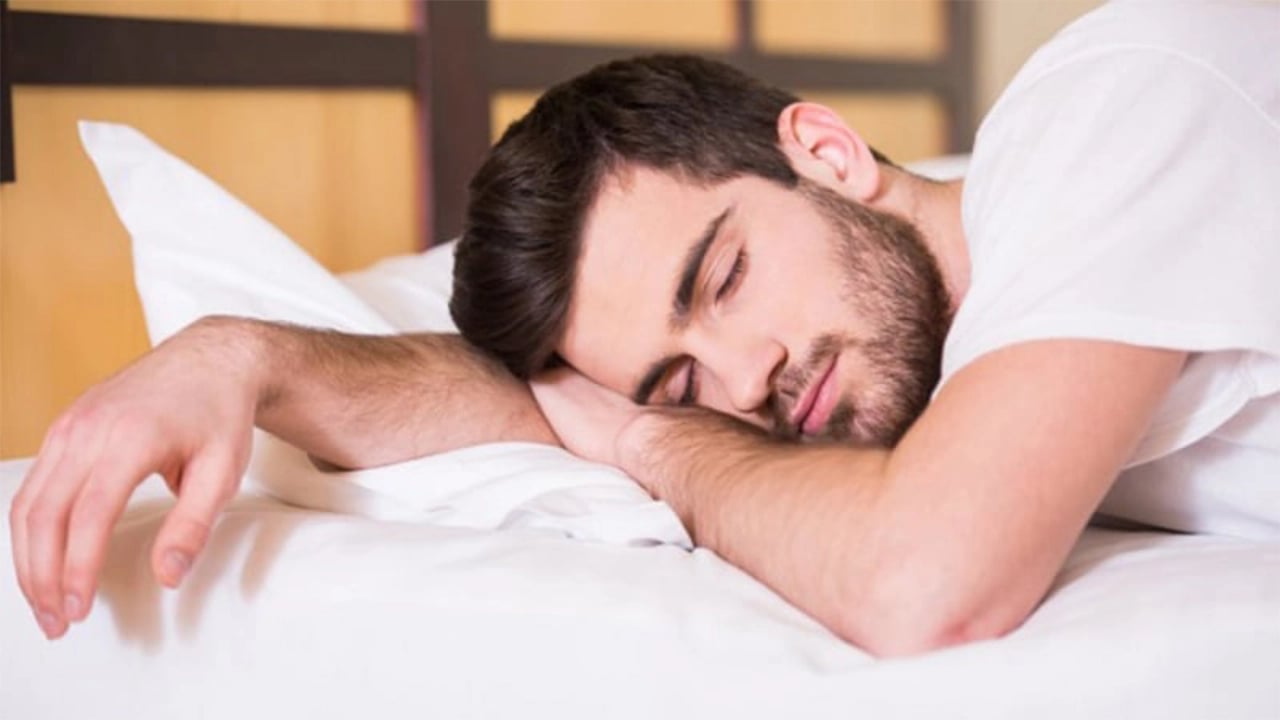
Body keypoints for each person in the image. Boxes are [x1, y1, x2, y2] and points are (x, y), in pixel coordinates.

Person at [10, 1, 1278, 655]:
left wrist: (655, 442)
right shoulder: (955, 363)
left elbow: (924, 586)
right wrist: (242, 355)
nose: (747, 381)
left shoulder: (1115, 104)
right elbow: (531, 412)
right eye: (675, 382)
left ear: (826, 152)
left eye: (722, 277)